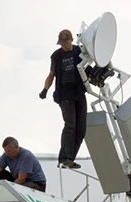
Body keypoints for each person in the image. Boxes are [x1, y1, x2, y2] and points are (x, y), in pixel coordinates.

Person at [40, 28, 87, 170]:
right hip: (65, 94)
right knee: (70, 124)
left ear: (71, 40)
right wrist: (45, 90)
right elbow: (51, 74)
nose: (64, 45)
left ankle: (70, 159)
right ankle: (64, 158)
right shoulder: (56, 56)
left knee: (81, 129)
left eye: (66, 42)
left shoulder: (79, 51)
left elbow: (87, 66)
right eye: (62, 43)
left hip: (79, 92)